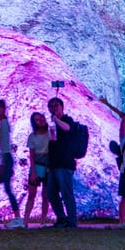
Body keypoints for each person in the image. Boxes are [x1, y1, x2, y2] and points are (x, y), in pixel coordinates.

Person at [44, 97, 83, 228]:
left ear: (62, 107)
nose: (54, 109)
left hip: (65, 163)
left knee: (66, 193)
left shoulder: (67, 120)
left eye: (56, 106)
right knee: (51, 192)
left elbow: (68, 128)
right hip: (53, 164)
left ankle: (72, 221)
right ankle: (61, 218)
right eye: (51, 107)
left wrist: (56, 120)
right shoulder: (51, 124)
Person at [20, 112, 50, 226]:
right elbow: (31, 156)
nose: (40, 120)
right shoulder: (32, 136)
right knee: (31, 194)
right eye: (37, 120)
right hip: (37, 166)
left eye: (41, 118)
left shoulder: (50, 134)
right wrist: (33, 171)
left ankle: (43, 221)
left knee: (46, 195)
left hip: (48, 167)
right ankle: (25, 221)